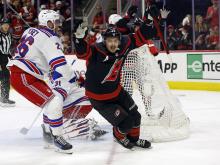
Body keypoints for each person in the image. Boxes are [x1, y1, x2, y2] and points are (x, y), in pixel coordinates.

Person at [73, 5, 163, 150]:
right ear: (104, 41)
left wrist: (149, 20)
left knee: (136, 117)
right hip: (100, 99)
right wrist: (78, 39)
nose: (113, 44)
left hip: (117, 91)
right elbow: (82, 53)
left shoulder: (125, 44)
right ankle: (119, 136)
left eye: (116, 40)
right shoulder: (96, 50)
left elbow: (142, 35)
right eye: (110, 41)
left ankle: (134, 139)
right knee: (126, 123)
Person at [7, 10, 74, 154]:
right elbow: (59, 64)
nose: (57, 25)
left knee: (51, 101)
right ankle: (57, 137)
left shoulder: (30, 30)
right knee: (55, 101)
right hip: (24, 75)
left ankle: (48, 134)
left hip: (24, 72)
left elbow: (35, 53)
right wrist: (73, 78)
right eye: (55, 22)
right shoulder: (50, 37)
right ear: (48, 23)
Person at [0, 18, 15, 107]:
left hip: (5, 58)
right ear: (1, 25)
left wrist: (10, 56)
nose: (6, 26)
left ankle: (4, 98)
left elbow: (7, 48)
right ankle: (4, 98)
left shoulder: (9, 34)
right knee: (4, 77)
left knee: (5, 78)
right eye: (4, 24)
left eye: (7, 24)